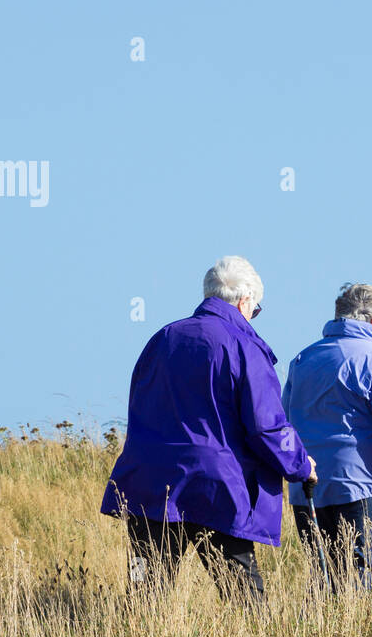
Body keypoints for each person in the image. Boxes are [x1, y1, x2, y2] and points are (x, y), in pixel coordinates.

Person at [100, 256, 314, 603]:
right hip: (216, 487)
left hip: (148, 482)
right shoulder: (245, 347)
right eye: (255, 310)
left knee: (143, 588)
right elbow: (267, 426)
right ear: (245, 301)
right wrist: (301, 464)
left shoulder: (162, 339)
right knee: (244, 593)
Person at [283, 283, 372, 592]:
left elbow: (285, 422)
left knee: (325, 582)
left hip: (308, 490)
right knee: (367, 585)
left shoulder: (302, 360)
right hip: (362, 488)